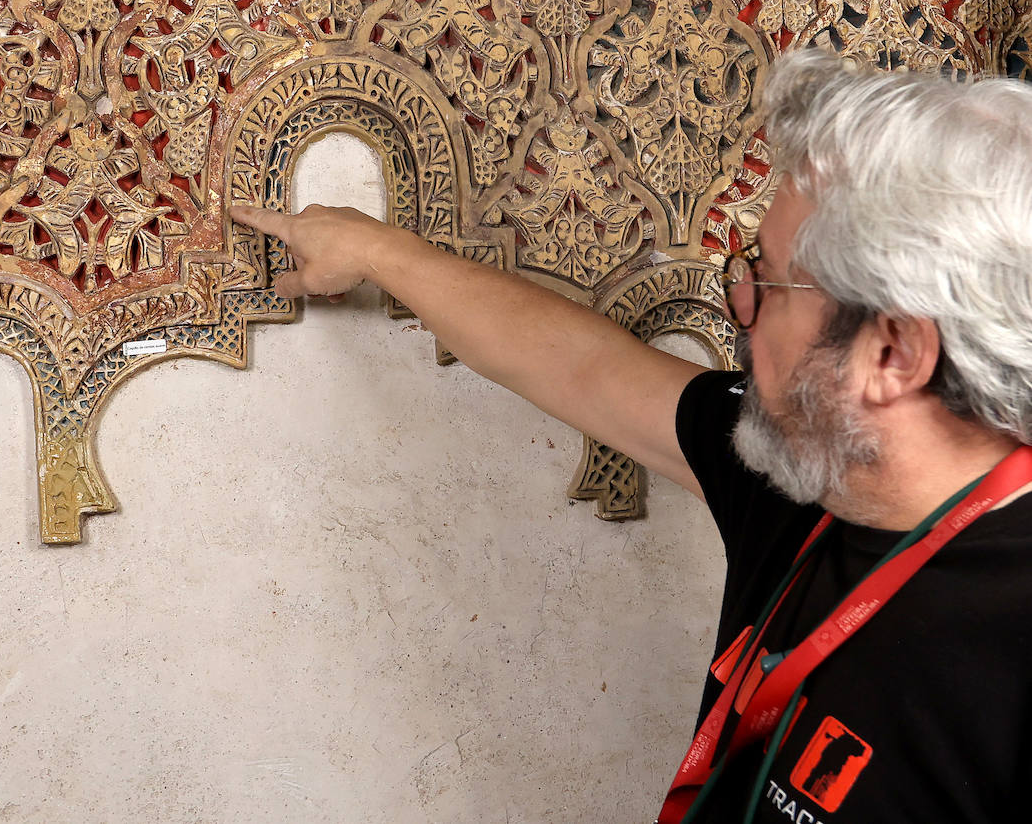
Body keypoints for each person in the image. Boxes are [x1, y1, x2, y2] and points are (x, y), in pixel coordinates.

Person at [230, 48, 1032, 823]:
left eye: (769, 284)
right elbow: (587, 370)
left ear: (893, 353)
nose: (739, 312)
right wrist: (374, 247)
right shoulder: (817, 471)